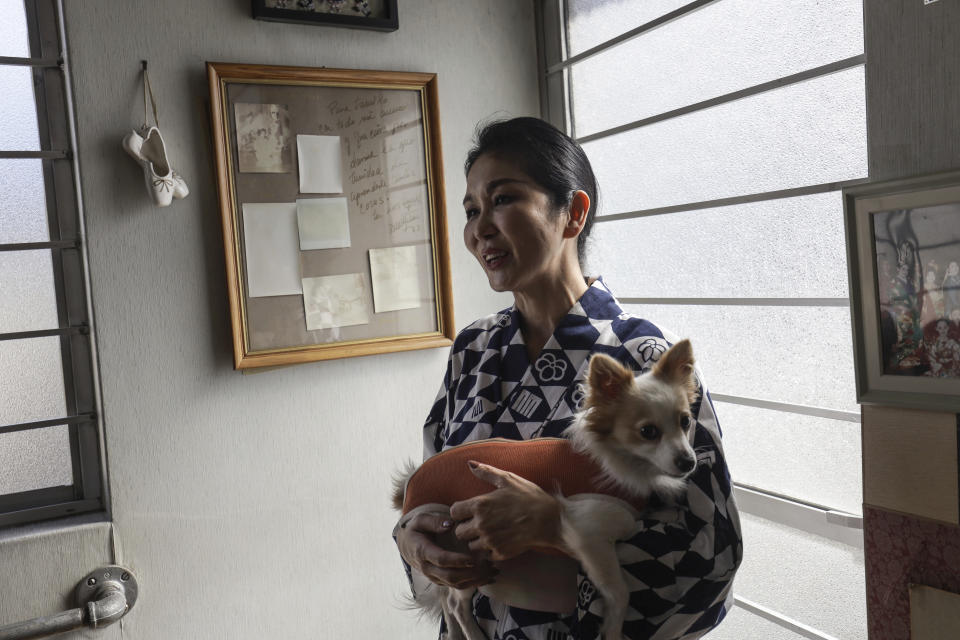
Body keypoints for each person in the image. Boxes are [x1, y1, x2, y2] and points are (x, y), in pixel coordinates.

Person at [394, 117, 742, 640]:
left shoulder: (644, 354)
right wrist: (414, 539)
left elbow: (712, 552)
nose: (479, 228)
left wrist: (557, 526)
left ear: (573, 214)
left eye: (503, 199)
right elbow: (431, 487)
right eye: (471, 211)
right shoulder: (472, 350)